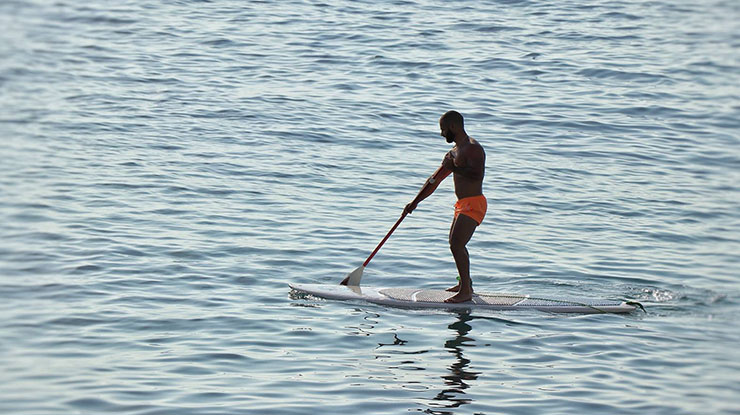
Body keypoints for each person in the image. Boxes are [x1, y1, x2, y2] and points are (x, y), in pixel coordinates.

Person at [403, 111, 486, 303]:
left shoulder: (472, 149)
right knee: (454, 244)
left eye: (443, 129)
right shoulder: (454, 153)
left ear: (453, 127)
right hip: (462, 204)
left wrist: (454, 167)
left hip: (474, 202)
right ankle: (466, 284)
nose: (441, 134)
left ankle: (465, 291)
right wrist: (414, 202)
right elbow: (434, 180)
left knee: (457, 244)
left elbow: (476, 174)